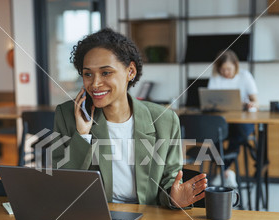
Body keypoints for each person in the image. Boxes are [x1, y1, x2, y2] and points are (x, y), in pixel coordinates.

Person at [51, 28, 207, 208]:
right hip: (95, 217)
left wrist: (173, 198)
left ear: (130, 71)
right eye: (88, 74)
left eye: (106, 72)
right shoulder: (67, 115)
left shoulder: (165, 120)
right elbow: (63, 187)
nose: (95, 83)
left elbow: (168, 181)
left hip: (147, 217)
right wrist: (83, 136)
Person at [207, 49, 258, 187]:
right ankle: (227, 172)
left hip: (241, 122)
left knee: (239, 133)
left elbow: (255, 100)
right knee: (212, 135)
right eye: (222, 69)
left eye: (228, 69)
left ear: (235, 65)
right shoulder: (216, 78)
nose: (226, 73)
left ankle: (224, 171)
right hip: (223, 122)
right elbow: (210, 100)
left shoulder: (245, 76)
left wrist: (251, 104)